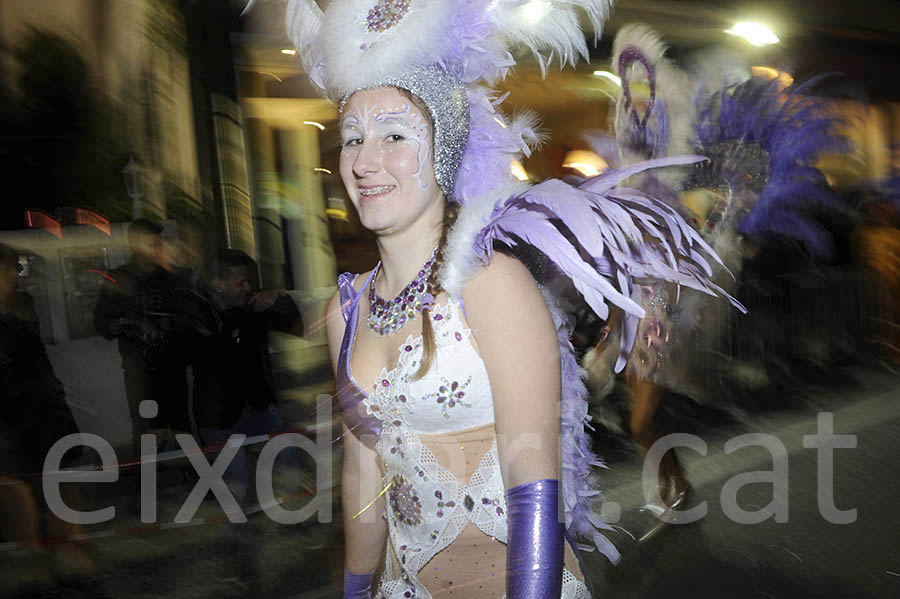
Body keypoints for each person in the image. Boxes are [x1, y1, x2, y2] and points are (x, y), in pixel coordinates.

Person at [272, 2, 740, 597]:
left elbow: (534, 487)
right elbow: (364, 475)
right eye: (352, 138)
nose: (365, 162)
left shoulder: (492, 287)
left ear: (442, 149)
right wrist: (355, 590)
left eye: (394, 135)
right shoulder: (345, 312)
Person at [189, 249, 303, 505]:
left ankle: (299, 526)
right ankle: (235, 538)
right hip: (219, 416)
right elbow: (207, 350)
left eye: (249, 281)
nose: (248, 287)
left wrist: (280, 301)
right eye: (241, 282)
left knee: (289, 467)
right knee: (235, 488)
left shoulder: (252, 306)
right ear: (218, 286)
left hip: (259, 405)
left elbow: (297, 328)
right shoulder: (197, 313)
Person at [94, 218, 189, 455]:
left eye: (159, 242)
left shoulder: (171, 277)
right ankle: (146, 480)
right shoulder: (119, 277)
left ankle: (189, 474)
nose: (157, 248)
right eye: (152, 243)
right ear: (135, 246)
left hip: (173, 366)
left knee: (180, 425)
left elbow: (186, 317)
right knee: (147, 430)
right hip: (141, 371)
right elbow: (103, 322)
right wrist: (128, 323)